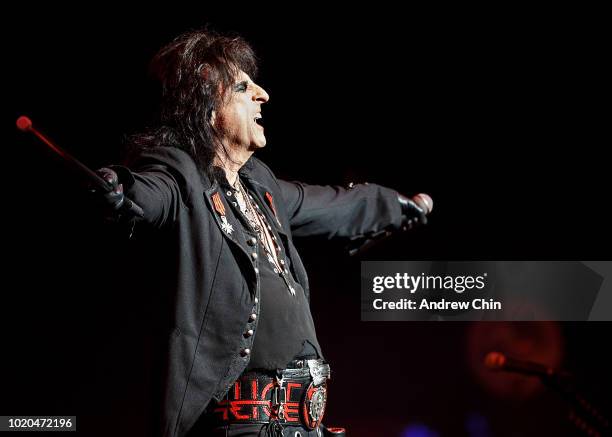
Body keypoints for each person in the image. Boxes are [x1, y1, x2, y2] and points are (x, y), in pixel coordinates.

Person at [95, 29, 429, 437]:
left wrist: (398, 206)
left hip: (303, 426)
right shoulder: (180, 174)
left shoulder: (260, 185)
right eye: (242, 86)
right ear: (206, 107)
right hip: (245, 427)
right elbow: (149, 193)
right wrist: (119, 191)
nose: (263, 94)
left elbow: (333, 204)